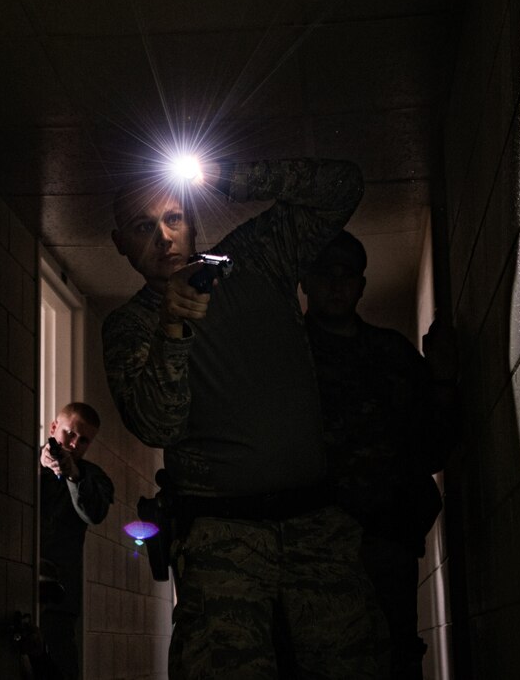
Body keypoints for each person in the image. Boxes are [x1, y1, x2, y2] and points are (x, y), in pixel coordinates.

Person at [102, 158, 388, 679]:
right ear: (120, 241)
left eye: (173, 218)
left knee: (352, 661)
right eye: (144, 228)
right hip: (219, 535)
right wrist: (172, 331)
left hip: (316, 521)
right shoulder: (130, 325)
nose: (164, 238)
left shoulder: (254, 257)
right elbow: (156, 426)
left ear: (192, 219)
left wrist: (234, 176)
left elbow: (343, 186)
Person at [300, 230, 459, 679]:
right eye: (324, 273)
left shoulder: (392, 355)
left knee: (392, 657)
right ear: (305, 281)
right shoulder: (286, 355)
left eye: (346, 274)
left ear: (361, 285)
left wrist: (445, 384)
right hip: (306, 551)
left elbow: (433, 447)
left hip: (385, 545)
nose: (336, 284)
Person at [38, 402, 114, 680]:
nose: (74, 444)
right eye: (70, 434)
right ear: (54, 427)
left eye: (83, 440)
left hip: (60, 596)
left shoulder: (93, 477)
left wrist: (73, 475)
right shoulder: (27, 459)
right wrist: (41, 465)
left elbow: (94, 513)